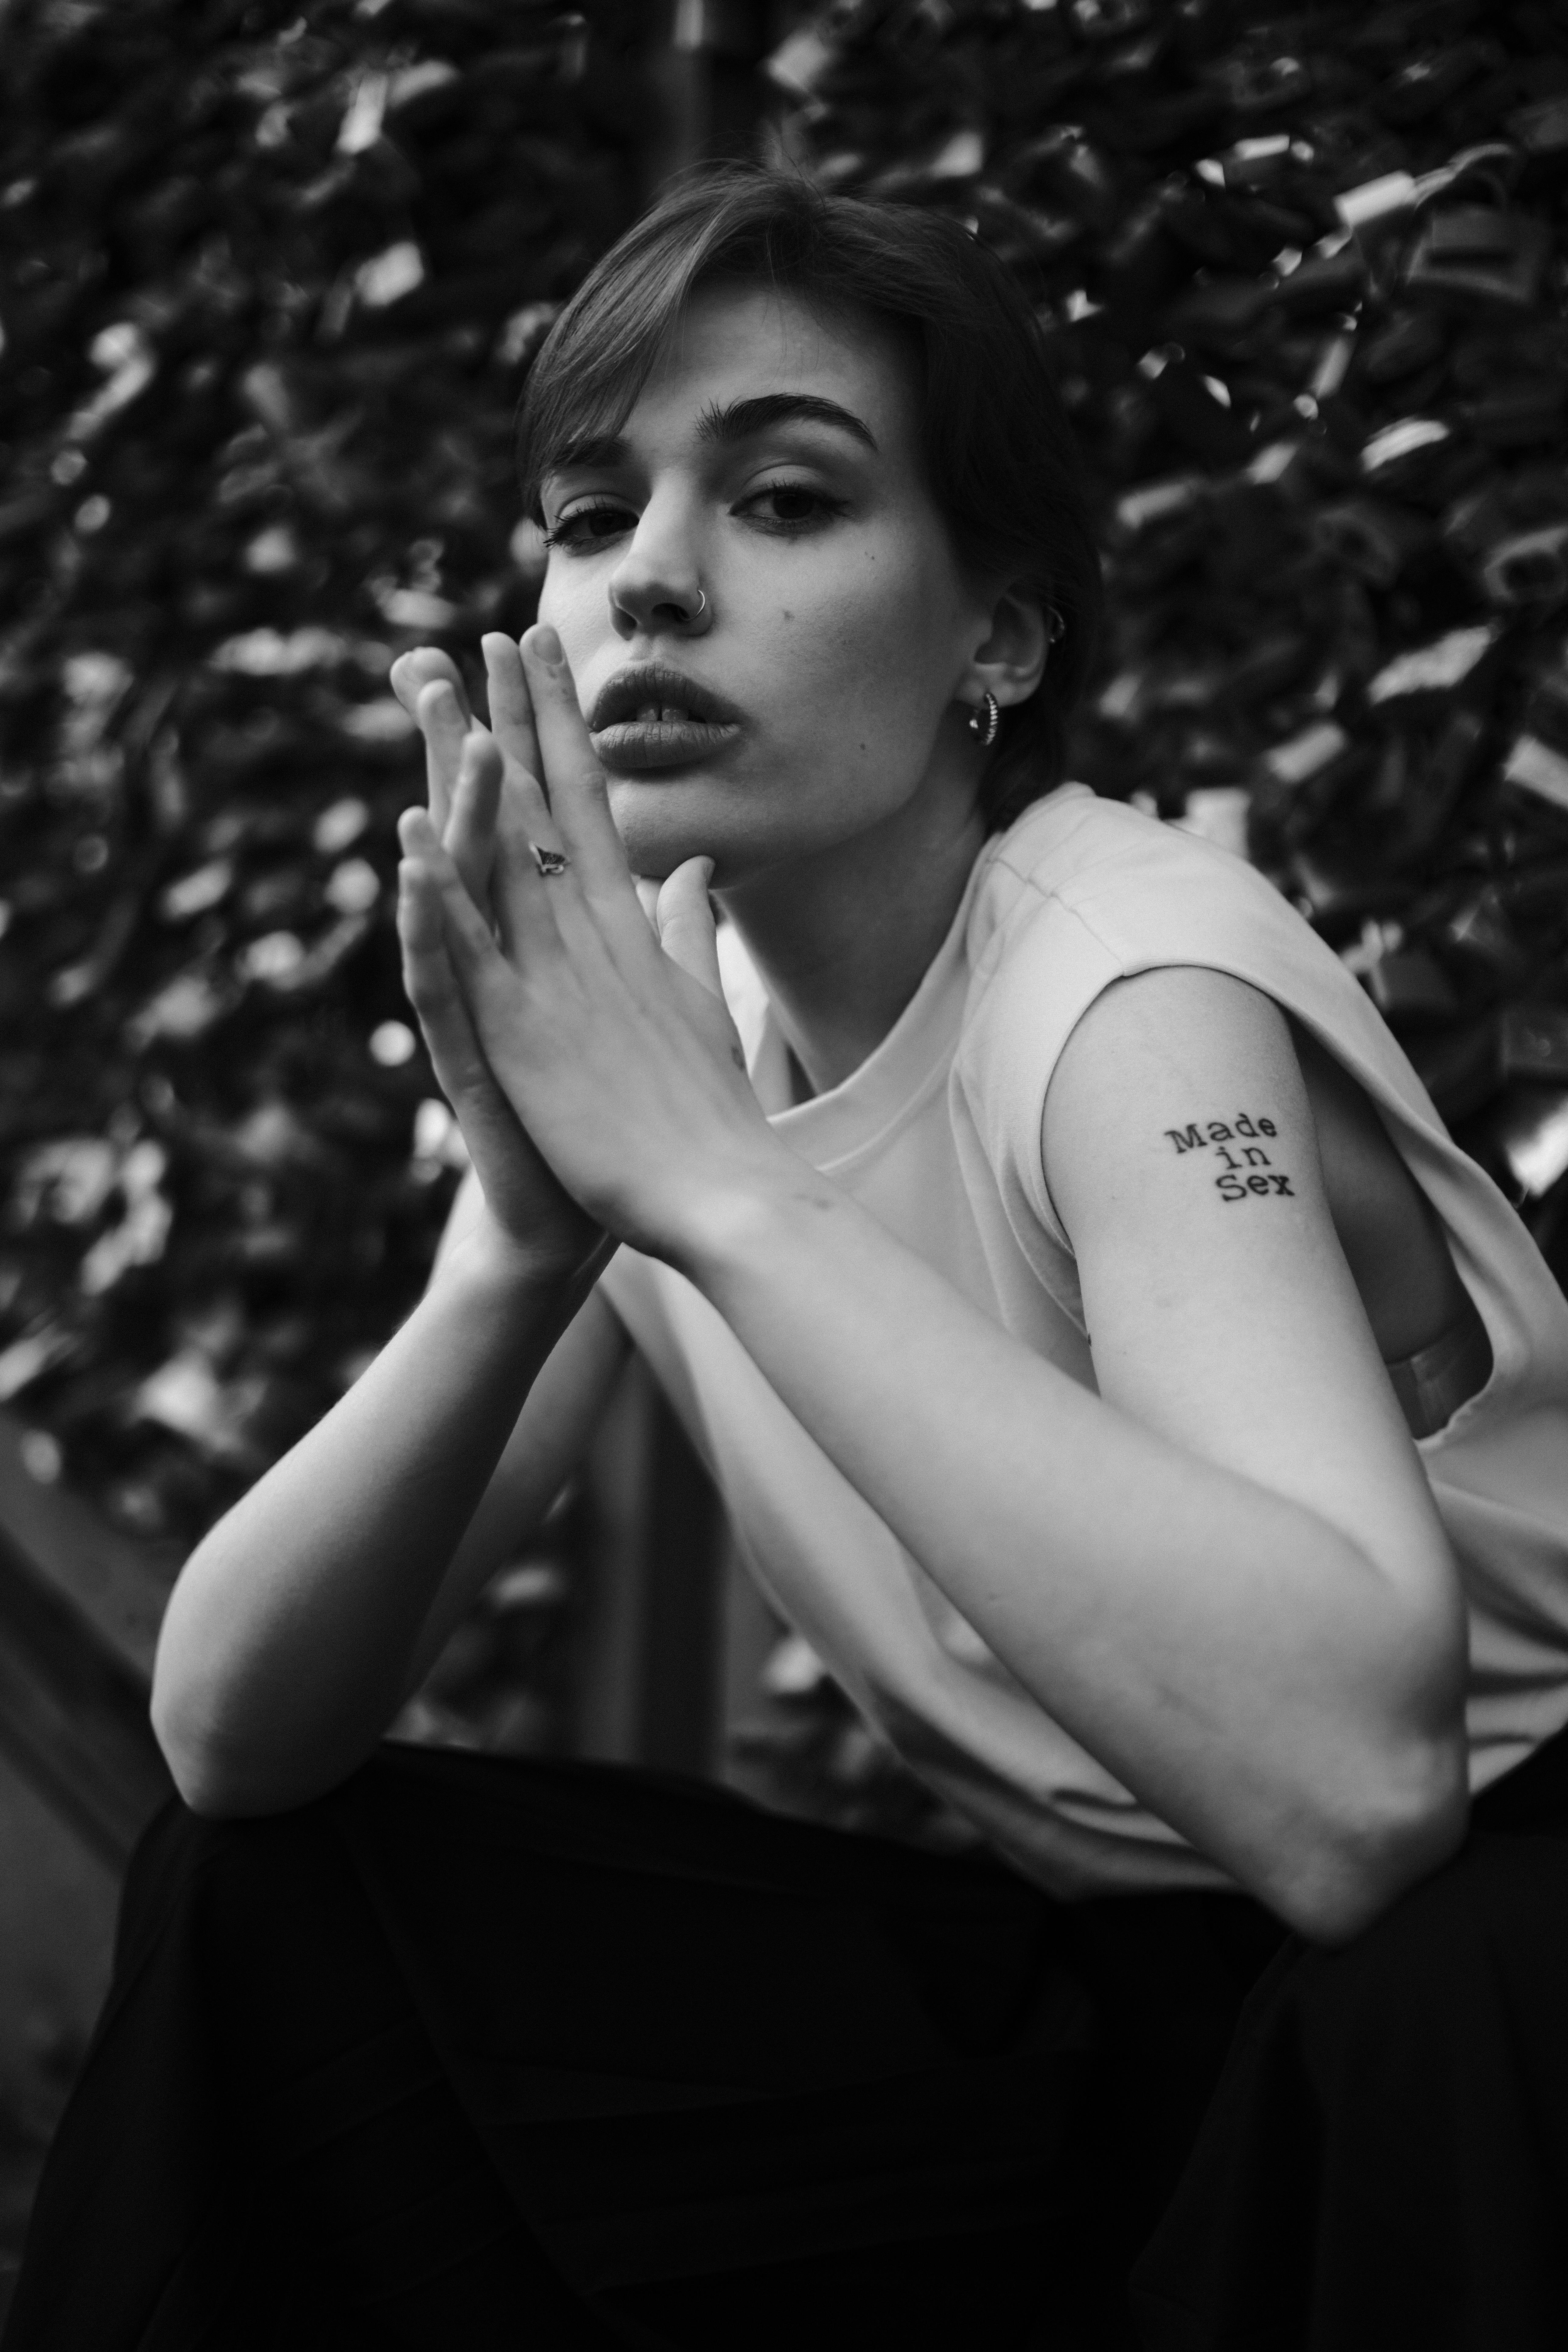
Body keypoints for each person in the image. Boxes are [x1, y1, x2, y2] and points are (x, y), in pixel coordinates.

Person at [8, 164, 1568, 2352]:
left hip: (1492, 2015)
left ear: (1001, 638)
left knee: (1437, 1993)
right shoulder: (664, 1027)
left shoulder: (1126, 994)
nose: (648, 580)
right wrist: (523, 1244)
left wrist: (721, 1197)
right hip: (1131, 2013)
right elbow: (235, 1738)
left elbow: (1359, 1804)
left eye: (787, 501)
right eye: (582, 514)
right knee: (285, 1903)